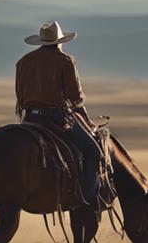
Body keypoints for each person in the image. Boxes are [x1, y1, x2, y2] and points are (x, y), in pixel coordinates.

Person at [15, 21, 102, 204]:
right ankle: (87, 200)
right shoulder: (65, 61)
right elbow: (76, 98)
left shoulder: (24, 61)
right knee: (93, 152)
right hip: (57, 120)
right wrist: (84, 117)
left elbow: (20, 98)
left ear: (41, 41)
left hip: (30, 120)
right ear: (60, 42)